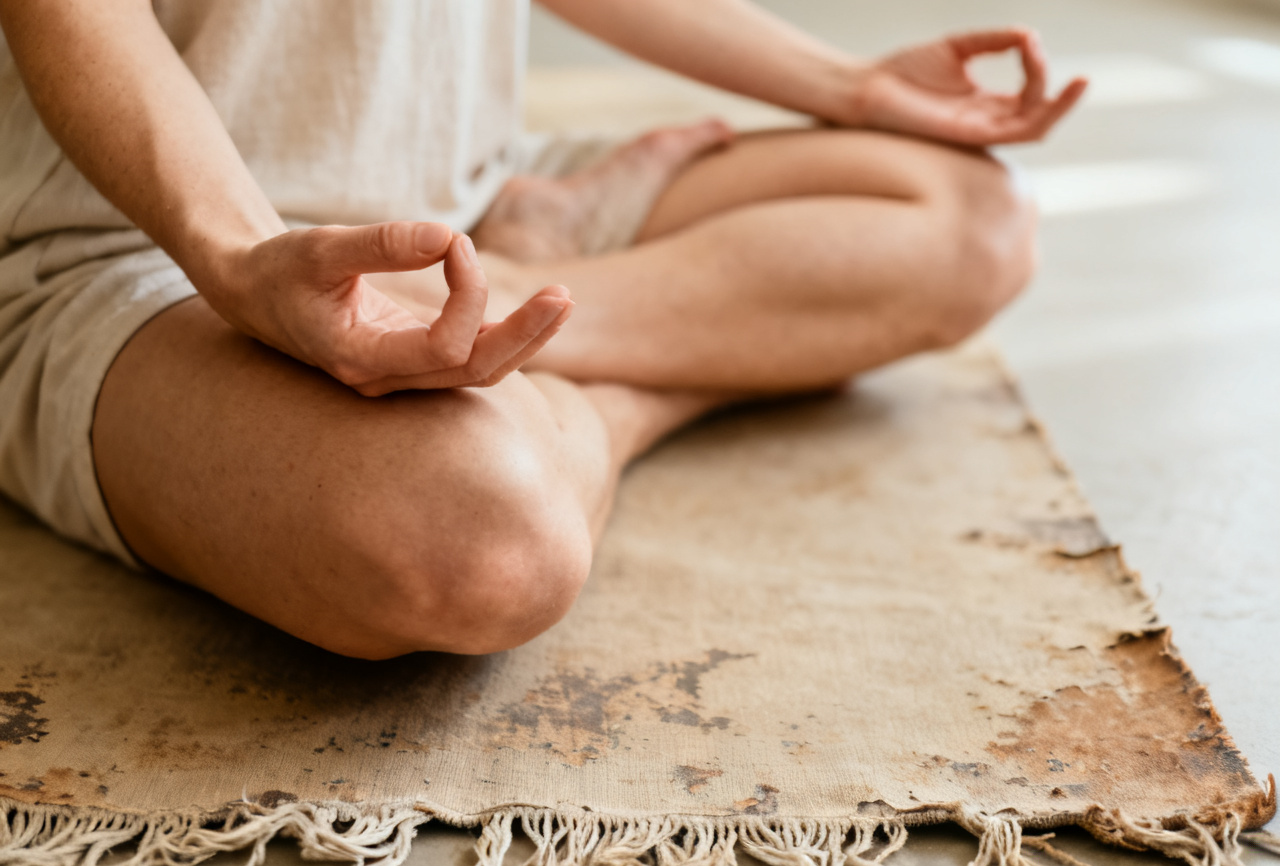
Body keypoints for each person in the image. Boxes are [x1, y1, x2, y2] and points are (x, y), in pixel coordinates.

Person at [0, 0, 1085, 659]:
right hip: (137, 238)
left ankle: (517, 300)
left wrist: (848, 85)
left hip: (459, 201)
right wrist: (235, 257)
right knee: (484, 548)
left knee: (973, 221)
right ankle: (646, 375)